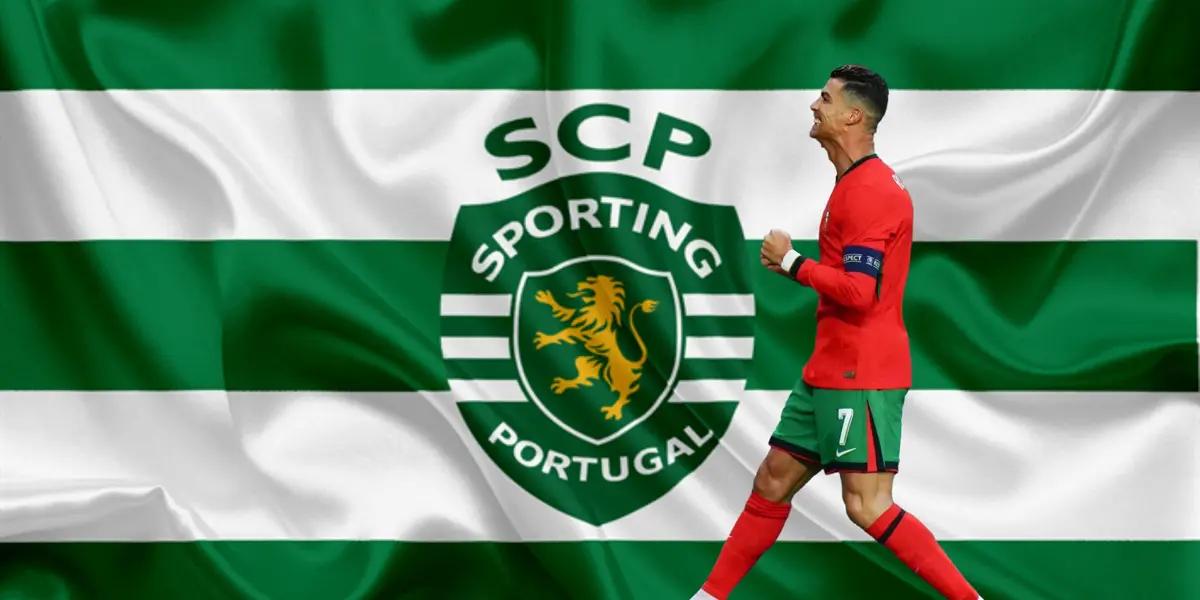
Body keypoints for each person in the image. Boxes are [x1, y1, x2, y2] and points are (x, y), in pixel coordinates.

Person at [692, 65, 981, 600]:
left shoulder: (870, 192)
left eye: (825, 99)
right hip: (828, 369)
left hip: (861, 374)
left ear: (852, 116)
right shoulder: (852, 185)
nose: (814, 105)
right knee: (773, 481)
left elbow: (860, 292)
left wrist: (792, 262)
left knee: (867, 506)